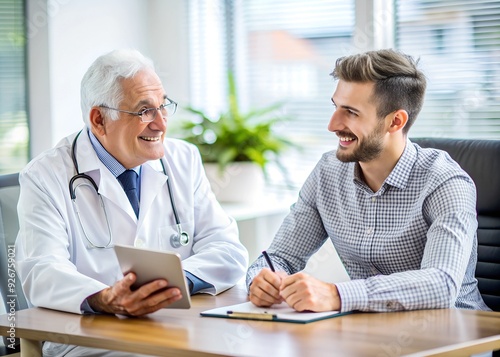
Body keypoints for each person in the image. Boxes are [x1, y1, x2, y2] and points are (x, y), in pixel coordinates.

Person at [15, 49, 248, 356]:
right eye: (144, 111)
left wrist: (169, 285)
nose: (161, 124)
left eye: (163, 106)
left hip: (173, 326)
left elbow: (228, 249)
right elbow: (41, 270)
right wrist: (105, 298)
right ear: (99, 119)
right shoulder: (46, 175)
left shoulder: (183, 159)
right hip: (90, 339)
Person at [246, 48, 491, 314]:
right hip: (370, 332)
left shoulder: (445, 182)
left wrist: (337, 294)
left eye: (351, 112)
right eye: (335, 107)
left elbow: (441, 284)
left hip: (457, 336)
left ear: (395, 121)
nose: (332, 124)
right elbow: (280, 257)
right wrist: (262, 279)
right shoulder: (328, 172)